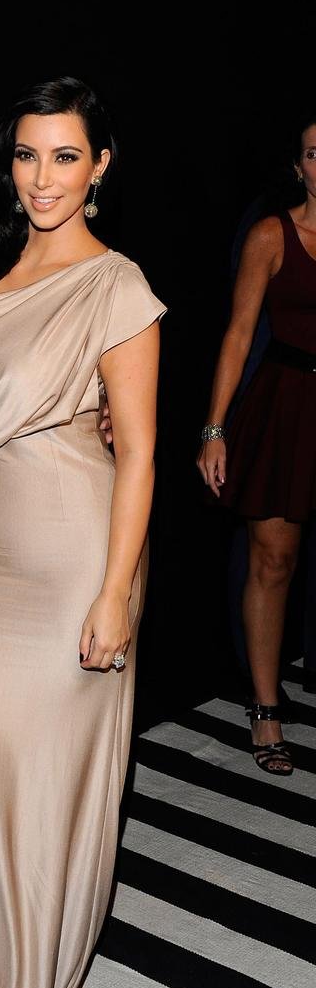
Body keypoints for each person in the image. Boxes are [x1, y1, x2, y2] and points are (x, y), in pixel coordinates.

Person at [0, 77, 165, 988]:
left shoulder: (117, 286)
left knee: (44, 776)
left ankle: (22, 984)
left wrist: (114, 593)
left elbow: (139, 455)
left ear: (100, 166)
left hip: (74, 557)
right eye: (27, 154)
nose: (43, 177)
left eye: (65, 156)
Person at [197, 114, 316, 776]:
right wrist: (214, 428)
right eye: (314, 153)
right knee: (273, 562)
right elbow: (239, 334)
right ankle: (266, 708)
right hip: (286, 407)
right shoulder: (273, 234)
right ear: (299, 167)